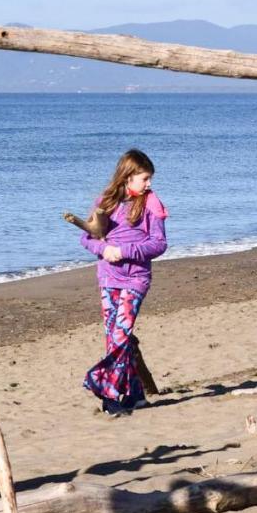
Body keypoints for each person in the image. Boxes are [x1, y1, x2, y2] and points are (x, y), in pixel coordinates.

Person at [79, 149, 167, 415]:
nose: (149, 183)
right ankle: (137, 395)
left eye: (149, 178)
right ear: (128, 177)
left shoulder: (151, 203)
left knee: (120, 335)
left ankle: (109, 394)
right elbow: (87, 237)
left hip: (136, 279)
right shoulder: (105, 201)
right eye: (145, 178)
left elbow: (159, 243)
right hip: (108, 278)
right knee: (114, 338)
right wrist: (103, 250)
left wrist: (125, 252)